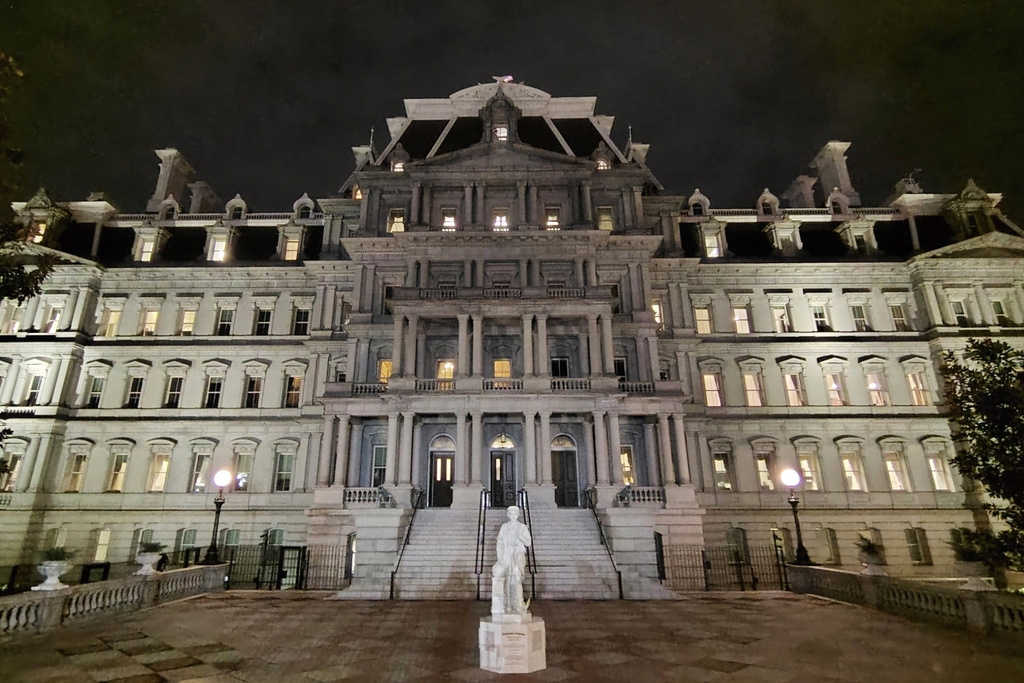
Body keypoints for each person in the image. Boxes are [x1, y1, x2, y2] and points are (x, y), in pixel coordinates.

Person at [491, 505, 532, 615]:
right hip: (507, 555)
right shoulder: (504, 527)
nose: (513, 516)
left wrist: (520, 537)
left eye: (515, 514)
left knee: (517, 580)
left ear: (517, 515)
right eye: (511, 514)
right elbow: (499, 542)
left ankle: (518, 604)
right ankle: (508, 604)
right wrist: (500, 558)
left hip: (517, 555)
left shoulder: (522, 527)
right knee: (508, 580)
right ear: (508, 515)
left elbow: (528, 542)